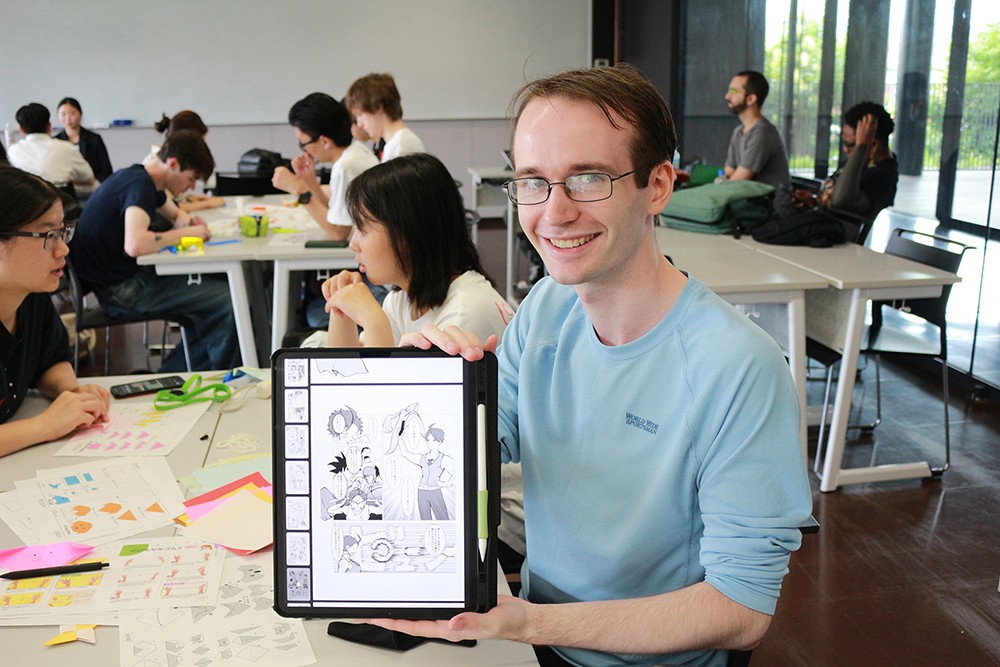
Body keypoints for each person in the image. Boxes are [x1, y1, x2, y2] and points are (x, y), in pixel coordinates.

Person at [376, 64, 812, 667]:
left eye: (587, 178)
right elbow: (486, 443)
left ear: (657, 187)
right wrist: (426, 395)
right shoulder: (548, 307)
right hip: (539, 636)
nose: (553, 213)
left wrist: (531, 622)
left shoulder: (739, 368)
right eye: (532, 181)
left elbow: (740, 611)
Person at [310, 153, 523, 560]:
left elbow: (383, 445)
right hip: (450, 496)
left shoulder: (466, 313)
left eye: (362, 227)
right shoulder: (406, 298)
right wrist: (340, 309)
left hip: (495, 516)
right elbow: (344, 397)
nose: (352, 241)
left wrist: (372, 323)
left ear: (406, 232)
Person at [69, 130, 239, 372]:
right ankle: (221, 378)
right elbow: (135, 244)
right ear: (173, 164)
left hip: (119, 281)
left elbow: (176, 215)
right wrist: (185, 234)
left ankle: (178, 373)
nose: (190, 188)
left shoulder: (141, 177)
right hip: (121, 291)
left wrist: (188, 222)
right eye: (190, 179)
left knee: (216, 289)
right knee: (227, 299)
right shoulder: (139, 187)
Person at [0, 164, 111, 455]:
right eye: (47, 235)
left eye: (63, 232)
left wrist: (70, 391)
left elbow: (48, 359)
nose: (62, 249)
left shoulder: (30, 296)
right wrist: (45, 426)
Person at [271, 93, 379, 243]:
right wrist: (310, 182)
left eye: (303, 144)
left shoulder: (346, 165)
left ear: (324, 141)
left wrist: (299, 190)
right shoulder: (355, 151)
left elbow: (338, 233)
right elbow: (335, 212)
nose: (305, 151)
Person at [722, 70, 790, 189]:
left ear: (751, 99)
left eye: (733, 91)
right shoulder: (738, 131)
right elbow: (728, 172)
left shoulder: (763, 132)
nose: (727, 96)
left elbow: (737, 181)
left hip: (771, 206)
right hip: (749, 201)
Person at [145, 110, 223, 214]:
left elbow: (172, 198)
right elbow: (171, 208)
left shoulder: (166, 159)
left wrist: (191, 198)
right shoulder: (158, 167)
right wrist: (208, 203)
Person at [7, 103, 95, 191]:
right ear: (49, 126)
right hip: (62, 200)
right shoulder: (66, 148)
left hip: (27, 201)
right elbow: (89, 178)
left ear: (21, 130)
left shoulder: (13, 151)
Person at [345, 73, 425, 161]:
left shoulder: (402, 145)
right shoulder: (393, 144)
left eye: (360, 115)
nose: (359, 124)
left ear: (377, 106)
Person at [54, 97, 114, 183]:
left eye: (72, 114)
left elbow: (106, 170)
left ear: (80, 114)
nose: (67, 118)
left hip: (92, 185)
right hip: (65, 186)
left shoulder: (94, 139)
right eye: (63, 114)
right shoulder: (55, 141)